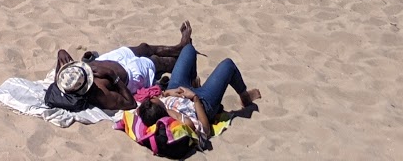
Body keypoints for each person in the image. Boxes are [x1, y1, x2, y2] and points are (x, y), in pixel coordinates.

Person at [129, 40, 260, 151]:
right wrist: (195, 98)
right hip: (202, 102)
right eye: (154, 99)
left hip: (176, 89)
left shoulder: (148, 111)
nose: (154, 97)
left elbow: (149, 104)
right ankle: (245, 96)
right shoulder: (178, 122)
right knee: (228, 65)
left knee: (188, 49)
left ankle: (192, 81)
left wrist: (168, 93)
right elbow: (205, 129)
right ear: (161, 109)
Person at [48, 24, 194, 114]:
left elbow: (61, 78)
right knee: (158, 62)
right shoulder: (99, 94)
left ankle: (178, 48)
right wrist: (113, 76)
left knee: (144, 47)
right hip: (130, 75)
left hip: (109, 59)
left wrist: (60, 54)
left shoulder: (67, 79)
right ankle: (186, 54)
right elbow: (129, 103)